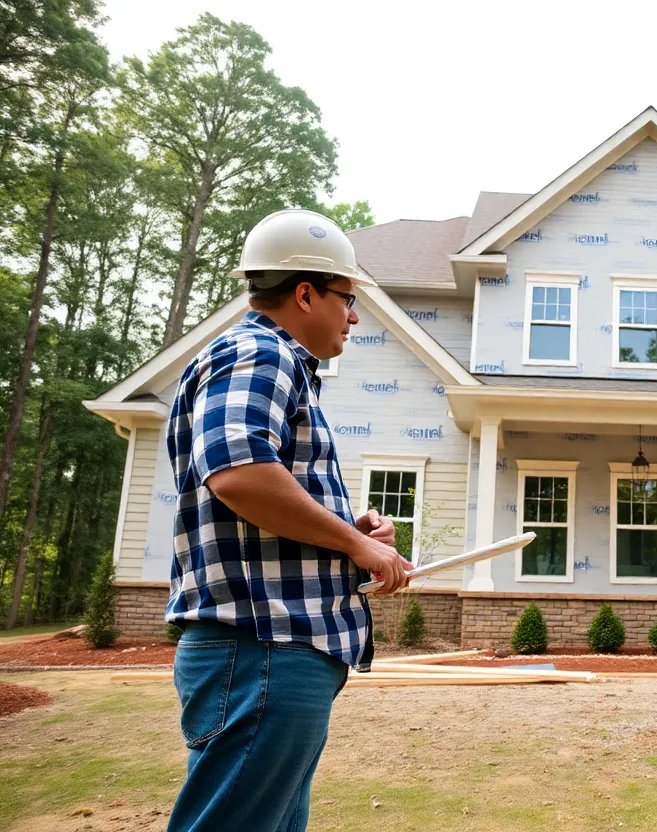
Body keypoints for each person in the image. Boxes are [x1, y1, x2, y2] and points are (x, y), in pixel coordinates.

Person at [164, 209, 413, 831]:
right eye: (347, 299)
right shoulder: (260, 352)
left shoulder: (265, 363)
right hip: (265, 646)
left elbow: (253, 493)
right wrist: (354, 543)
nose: (354, 316)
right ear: (306, 294)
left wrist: (352, 529)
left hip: (271, 648)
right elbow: (240, 472)